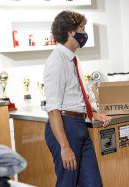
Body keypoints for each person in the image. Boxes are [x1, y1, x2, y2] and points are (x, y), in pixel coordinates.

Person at [43, 10, 111, 187]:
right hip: (65, 127)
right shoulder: (57, 61)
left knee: (93, 184)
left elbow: (74, 95)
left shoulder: (71, 59)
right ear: (70, 32)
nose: (85, 33)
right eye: (82, 28)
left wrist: (92, 113)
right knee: (68, 183)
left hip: (78, 125)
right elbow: (53, 109)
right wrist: (64, 147)